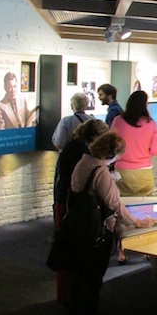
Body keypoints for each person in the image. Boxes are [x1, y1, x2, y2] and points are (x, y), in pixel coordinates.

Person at [68, 131, 155, 315]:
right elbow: (114, 204)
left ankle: (75, 313)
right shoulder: (100, 171)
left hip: (79, 227)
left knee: (80, 274)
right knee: (93, 276)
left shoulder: (83, 162)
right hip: (97, 231)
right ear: (110, 153)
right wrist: (137, 222)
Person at [53, 119, 109, 304]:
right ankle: (69, 299)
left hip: (68, 202)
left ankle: (69, 299)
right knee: (71, 253)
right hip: (72, 207)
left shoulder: (74, 146)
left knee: (71, 253)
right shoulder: (80, 153)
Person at [111, 90, 157, 197]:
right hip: (144, 172)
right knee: (145, 208)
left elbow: (111, 145)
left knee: (122, 206)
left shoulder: (118, 121)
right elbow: (156, 151)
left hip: (122, 172)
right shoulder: (151, 124)